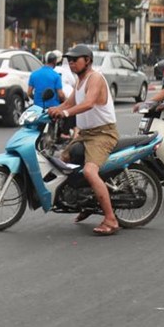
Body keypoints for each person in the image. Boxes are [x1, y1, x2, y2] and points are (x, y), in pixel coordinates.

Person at [48, 45, 119, 236]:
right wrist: (50, 110)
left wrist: (64, 113)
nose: (71, 63)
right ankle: (87, 202)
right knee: (63, 160)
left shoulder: (95, 78)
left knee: (89, 171)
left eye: (75, 59)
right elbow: (69, 103)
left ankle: (111, 219)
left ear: (87, 60)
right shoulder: (79, 81)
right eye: (69, 60)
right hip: (86, 134)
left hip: (103, 134)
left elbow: (88, 103)